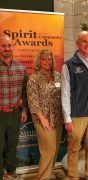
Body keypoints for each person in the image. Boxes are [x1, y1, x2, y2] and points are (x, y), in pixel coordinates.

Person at [61, 31, 88, 180]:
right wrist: (67, 118)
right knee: (74, 148)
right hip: (77, 115)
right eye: (84, 41)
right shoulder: (69, 65)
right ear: (77, 43)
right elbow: (65, 93)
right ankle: (72, 177)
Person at [27, 49, 63, 180]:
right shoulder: (33, 78)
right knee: (49, 149)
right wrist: (43, 119)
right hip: (42, 119)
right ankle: (42, 177)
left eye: (49, 59)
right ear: (39, 61)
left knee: (55, 149)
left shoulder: (58, 76)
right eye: (44, 59)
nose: (47, 61)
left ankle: (49, 174)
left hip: (58, 119)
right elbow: (33, 101)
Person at [0, 36, 28, 180]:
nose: (7, 48)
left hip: (15, 114)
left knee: (12, 145)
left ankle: (11, 172)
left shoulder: (21, 68)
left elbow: (24, 92)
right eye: (3, 46)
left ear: (13, 47)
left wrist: (23, 110)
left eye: (9, 45)